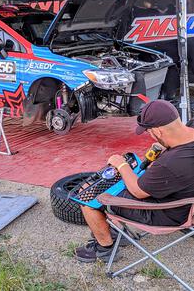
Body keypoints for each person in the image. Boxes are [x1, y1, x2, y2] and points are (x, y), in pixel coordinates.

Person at [75, 100, 194, 263]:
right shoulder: (188, 134)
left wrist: (121, 164)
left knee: (88, 196)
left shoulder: (169, 164)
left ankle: (104, 249)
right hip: (186, 201)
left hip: (169, 212)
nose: (150, 135)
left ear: (158, 131)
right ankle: (115, 232)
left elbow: (137, 190)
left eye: (149, 132)